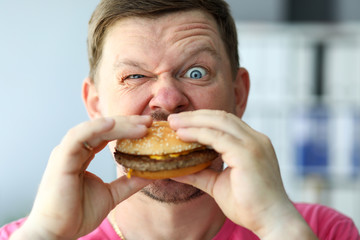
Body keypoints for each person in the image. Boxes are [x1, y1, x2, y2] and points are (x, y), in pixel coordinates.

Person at [1, 0, 359, 239]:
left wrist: (275, 221)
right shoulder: (26, 235)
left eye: (197, 72)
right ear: (95, 105)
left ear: (238, 96)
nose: (168, 100)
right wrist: (47, 233)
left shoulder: (320, 231)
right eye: (135, 76)